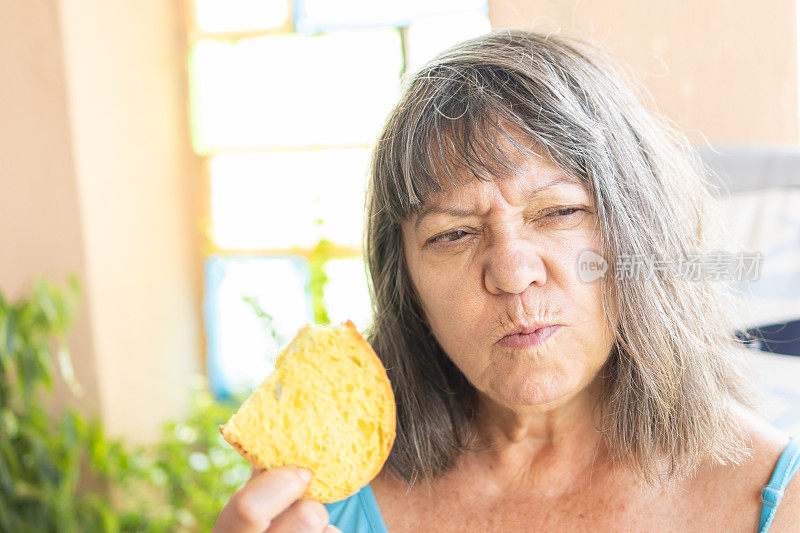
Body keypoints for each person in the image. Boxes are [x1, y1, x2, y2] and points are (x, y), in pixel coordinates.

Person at [212, 30, 800, 532]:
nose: (513, 273)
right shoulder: (319, 505)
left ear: (639, 234)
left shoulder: (777, 502)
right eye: (452, 234)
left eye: (559, 212)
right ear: (408, 287)